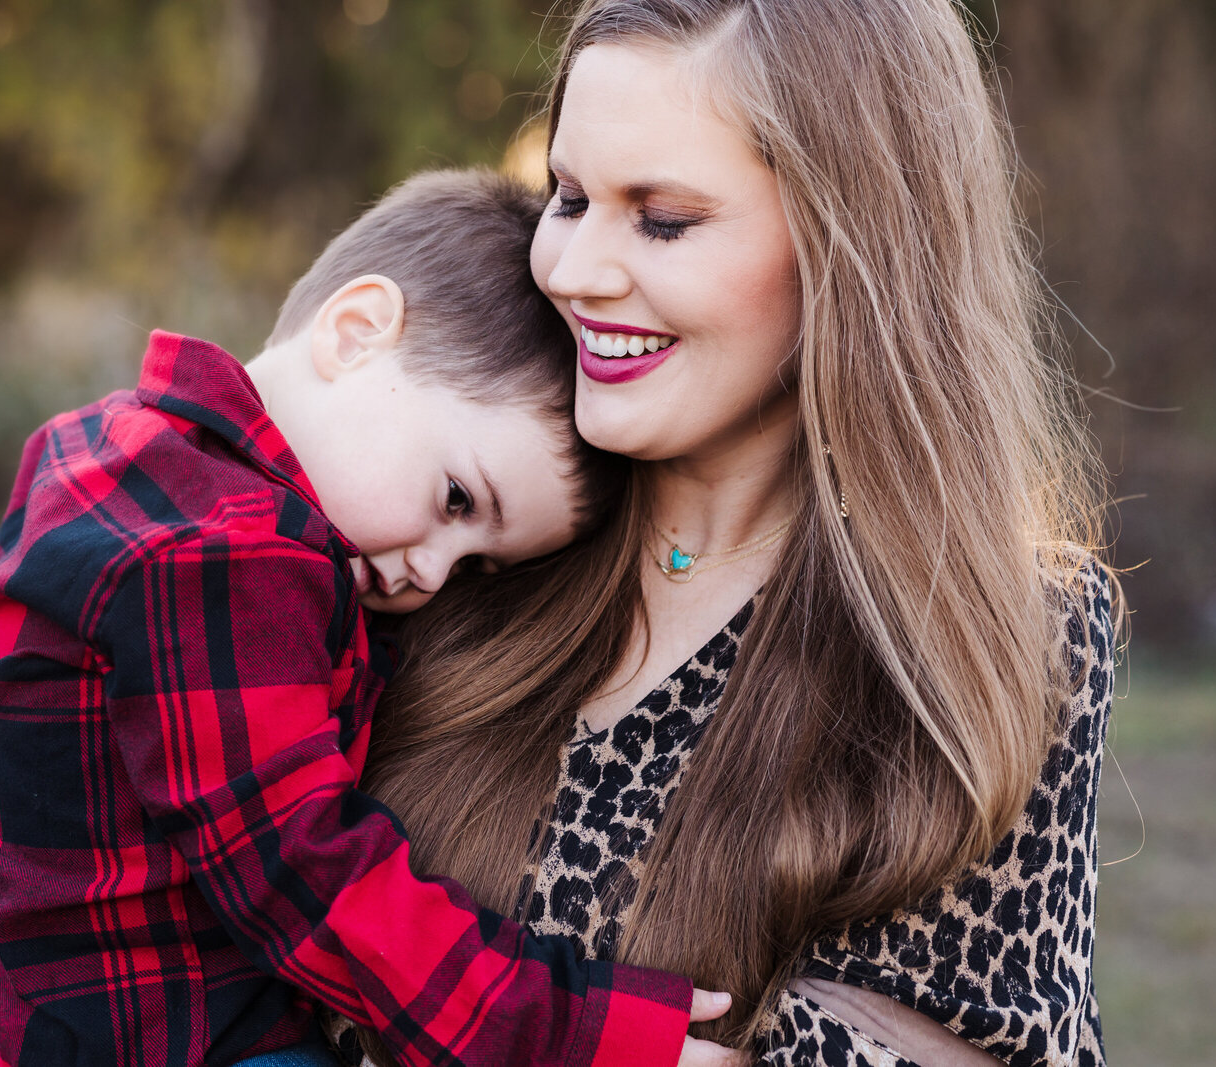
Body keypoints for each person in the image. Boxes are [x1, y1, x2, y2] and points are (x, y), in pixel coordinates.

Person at [357, 2, 1119, 1065]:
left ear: (850, 245)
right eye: (569, 198)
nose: (573, 270)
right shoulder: (456, 527)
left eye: (661, 218)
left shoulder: (1007, 639)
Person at [0, 169, 737, 1067]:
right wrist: (578, 1035)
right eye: (457, 499)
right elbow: (312, 879)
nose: (429, 571)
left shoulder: (99, 454)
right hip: (170, 1031)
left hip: (6, 1002)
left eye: (478, 565)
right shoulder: (226, 561)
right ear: (355, 331)